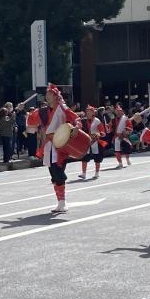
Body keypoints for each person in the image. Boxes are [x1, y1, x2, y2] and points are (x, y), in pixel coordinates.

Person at [36, 84, 79, 213]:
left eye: (49, 94)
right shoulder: (44, 110)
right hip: (49, 145)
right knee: (53, 174)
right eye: (46, 95)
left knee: (58, 172)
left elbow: (75, 117)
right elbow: (32, 118)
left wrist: (76, 126)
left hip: (60, 145)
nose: (47, 96)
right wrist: (18, 110)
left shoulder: (62, 108)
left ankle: (63, 202)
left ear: (55, 96)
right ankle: (59, 202)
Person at [77, 105, 106, 181]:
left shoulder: (97, 121)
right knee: (84, 157)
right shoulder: (83, 120)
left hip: (95, 141)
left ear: (93, 112)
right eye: (87, 111)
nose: (87, 113)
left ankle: (96, 173)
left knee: (97, 157)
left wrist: (99, 134)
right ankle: (84, 173)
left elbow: (102, 131)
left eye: (89, 111)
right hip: (87, 141)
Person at [110, 103, 133, 168]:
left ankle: (127, 159)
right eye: (117, 112)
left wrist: (125, 132)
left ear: (122, 112)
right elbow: (111, 129)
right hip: (117, 137)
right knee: (117, 150)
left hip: (124, 136)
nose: (118, 113)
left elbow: (130, 127)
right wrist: (109, 127)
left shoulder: (125, 118)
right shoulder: (113, 120)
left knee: (127, 148)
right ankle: (120, 163)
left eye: (119, 111)